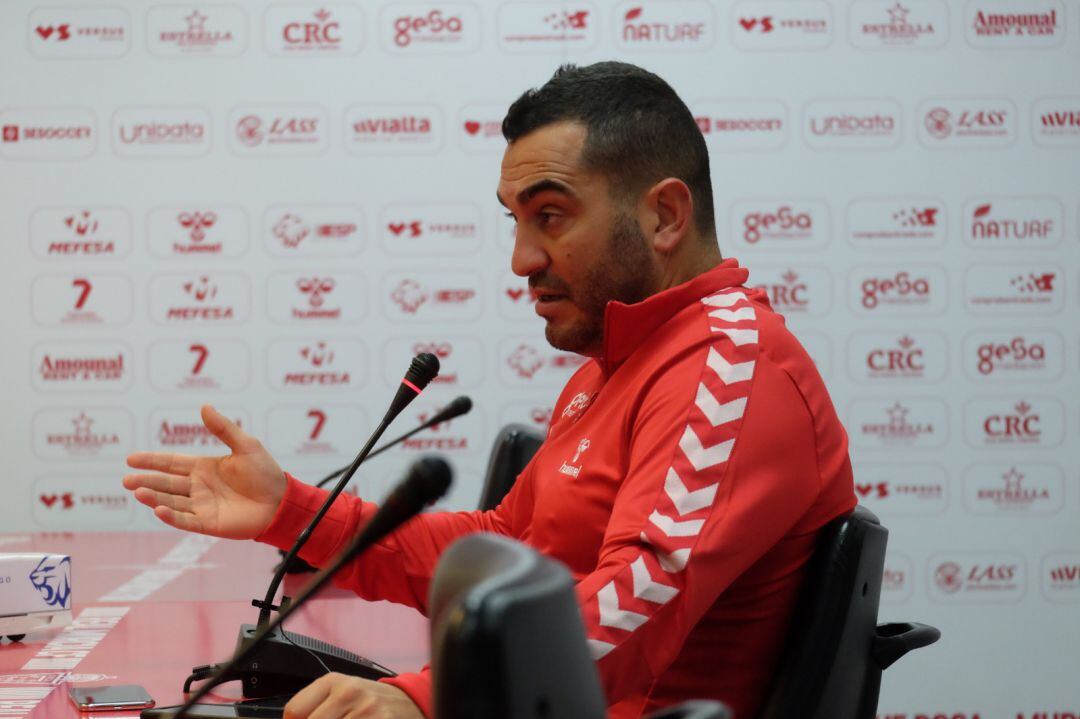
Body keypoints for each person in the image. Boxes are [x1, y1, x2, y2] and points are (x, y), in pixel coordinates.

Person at [123, 62, 855, 719]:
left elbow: (638, 602)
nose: (521, 259)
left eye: (551, 216)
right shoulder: (623, 361)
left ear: (664, 214)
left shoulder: (731, 366)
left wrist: (422, 697)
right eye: (515, 220)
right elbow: (509, 543)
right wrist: (296, 511)